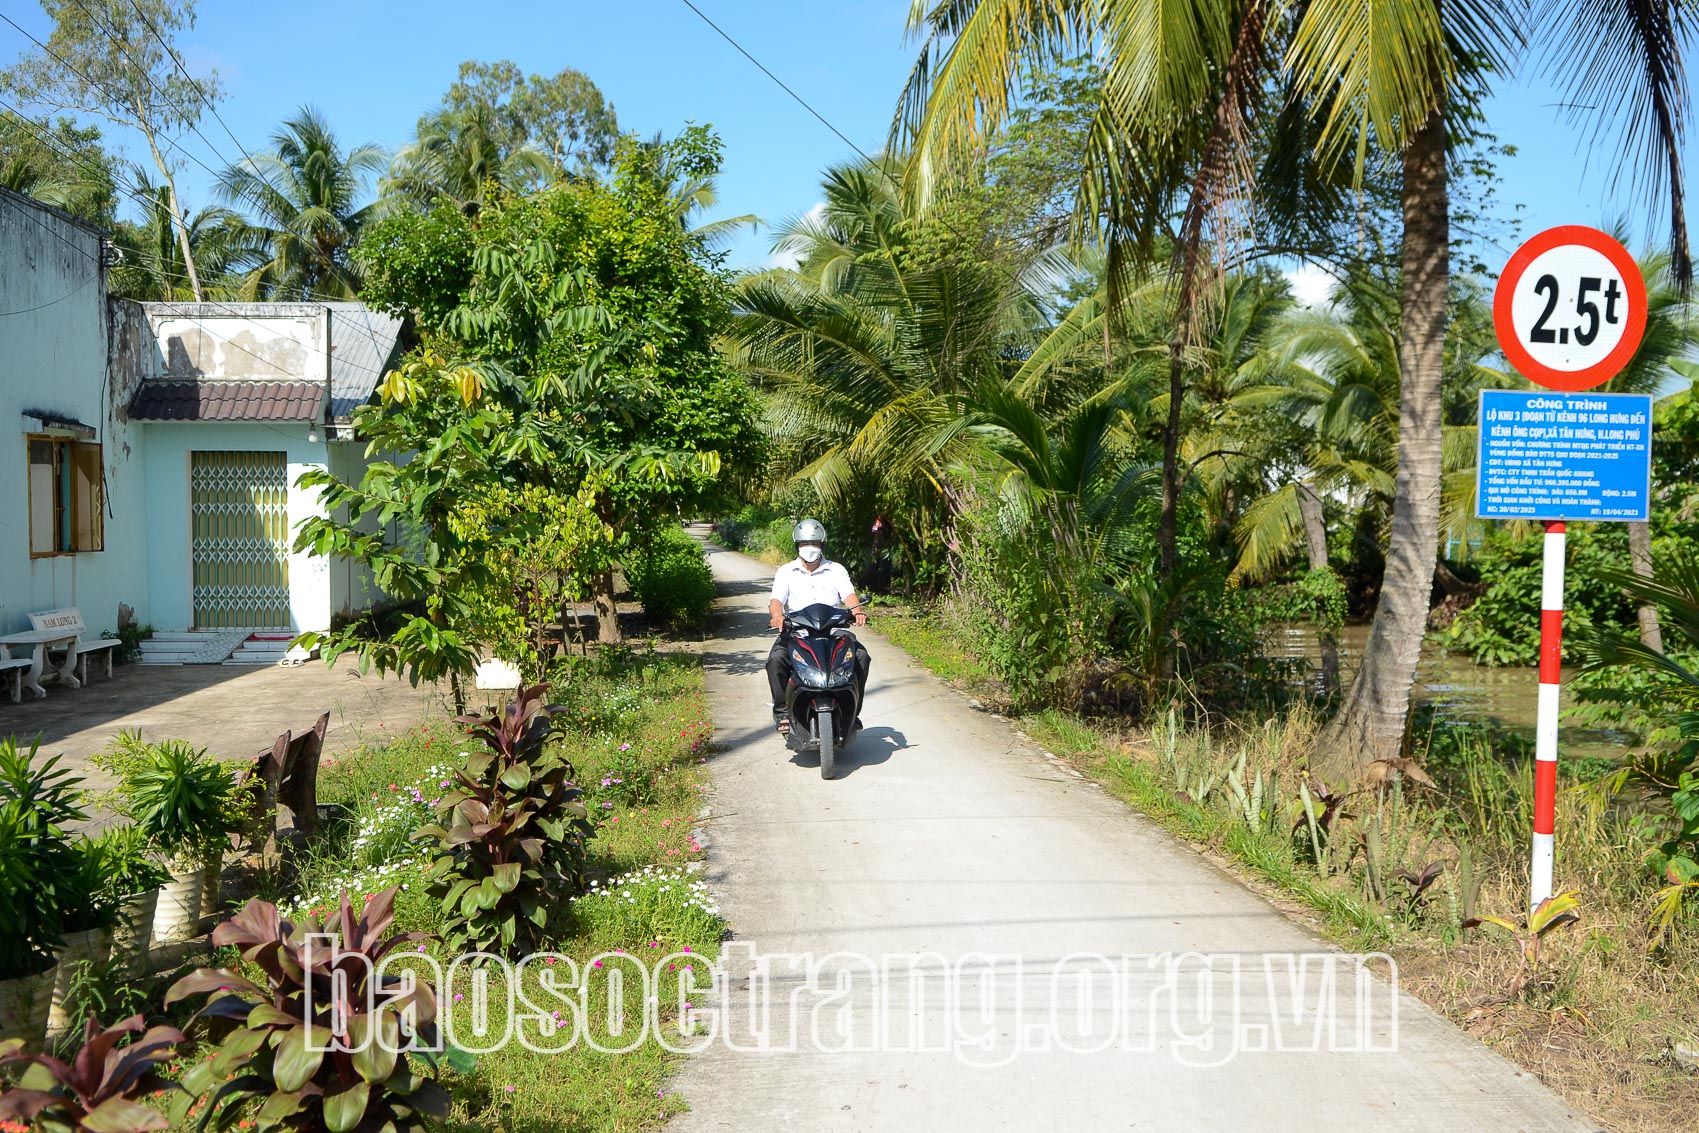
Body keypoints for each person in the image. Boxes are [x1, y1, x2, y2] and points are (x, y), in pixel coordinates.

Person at [767, 518, 870, 735]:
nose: (809, 548)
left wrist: (857, 611)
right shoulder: (786, 571)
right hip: (798, 632)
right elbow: (776, 600)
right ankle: (783, 712)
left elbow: (849, 596)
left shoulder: (836, 570)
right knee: (776, 660)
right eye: (804, 544)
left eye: (814, 544)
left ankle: (853, 712)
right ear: (797, 546)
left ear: (822, 545)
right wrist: (777, 616)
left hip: (833, 631)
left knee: (861, 656)